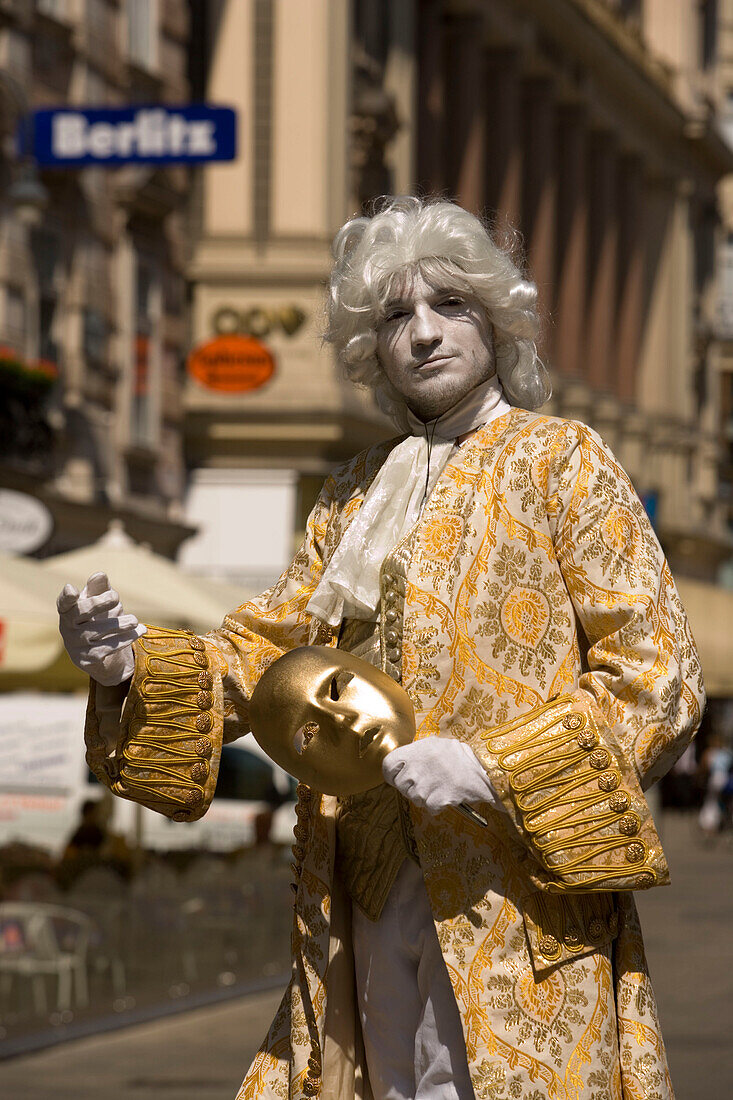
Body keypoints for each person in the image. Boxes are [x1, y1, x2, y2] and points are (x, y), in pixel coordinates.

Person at [57, 197, 703, 1100]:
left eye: (449, 306)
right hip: (358, 892)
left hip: (511, 898)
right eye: (397, 315)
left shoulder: (562, 461)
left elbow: (657, 678)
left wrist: (491, 769)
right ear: (372, 342)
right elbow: (265, 659)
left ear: (495, 321)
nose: (424, 335)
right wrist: (126, 667)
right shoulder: (351, 491)